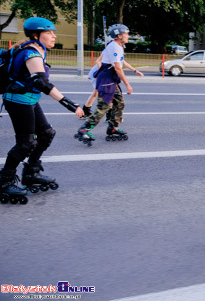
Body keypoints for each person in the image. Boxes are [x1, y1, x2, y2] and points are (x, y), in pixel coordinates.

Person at [0, 17, 84, 204]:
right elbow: (40, 82)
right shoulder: (32, 53)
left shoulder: (35, 49)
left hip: (29, 99)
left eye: (54, 32)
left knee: (46, 134)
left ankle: (31, 172)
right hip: (18, 100)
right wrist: (71, 105)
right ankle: (4, 181)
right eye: (49, 33)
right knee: (25, 143)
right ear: (37, 35)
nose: (54, 36)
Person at [76, 24, 143, 145]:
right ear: (119, 36)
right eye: (126, 34)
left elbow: (121, 62)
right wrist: (128, 85)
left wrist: (134, 70)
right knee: (104, 106)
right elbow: (118, 68)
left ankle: (113, 127)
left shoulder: (118, 46)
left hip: (111, 79)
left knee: (119, 102)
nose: (128, 36)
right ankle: (84, 129)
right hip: (107, 80)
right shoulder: (114, 47)